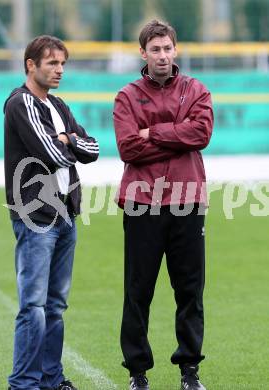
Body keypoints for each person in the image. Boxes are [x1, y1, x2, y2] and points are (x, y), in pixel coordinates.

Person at [113, 20, 213, 390]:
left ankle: (190, 371)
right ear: (143, 53)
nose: (162, 55)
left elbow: (200, 134)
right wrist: (177, 133)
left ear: (176, 50)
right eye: (155, 49)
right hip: (142, 202)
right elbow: (127, 147)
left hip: (187, 200)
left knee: (190, 290)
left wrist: (153, 132)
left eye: (167, 48)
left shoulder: (196, 89)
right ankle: (137, 373)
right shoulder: (126, 96)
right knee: (138, 290)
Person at [4, 35, 99, 390]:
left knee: (55, 306)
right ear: (31, 65)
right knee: (34, 307)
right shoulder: (20, 103)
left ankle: (50, 379)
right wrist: (66, 143)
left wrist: (68, 139)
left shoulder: (58, 104)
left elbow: (93, 147)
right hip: (36, 217)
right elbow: (53, 154)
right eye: (52, 64)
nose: (59, 70)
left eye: (62, 64)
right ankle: (24, 383)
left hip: (65, 215)